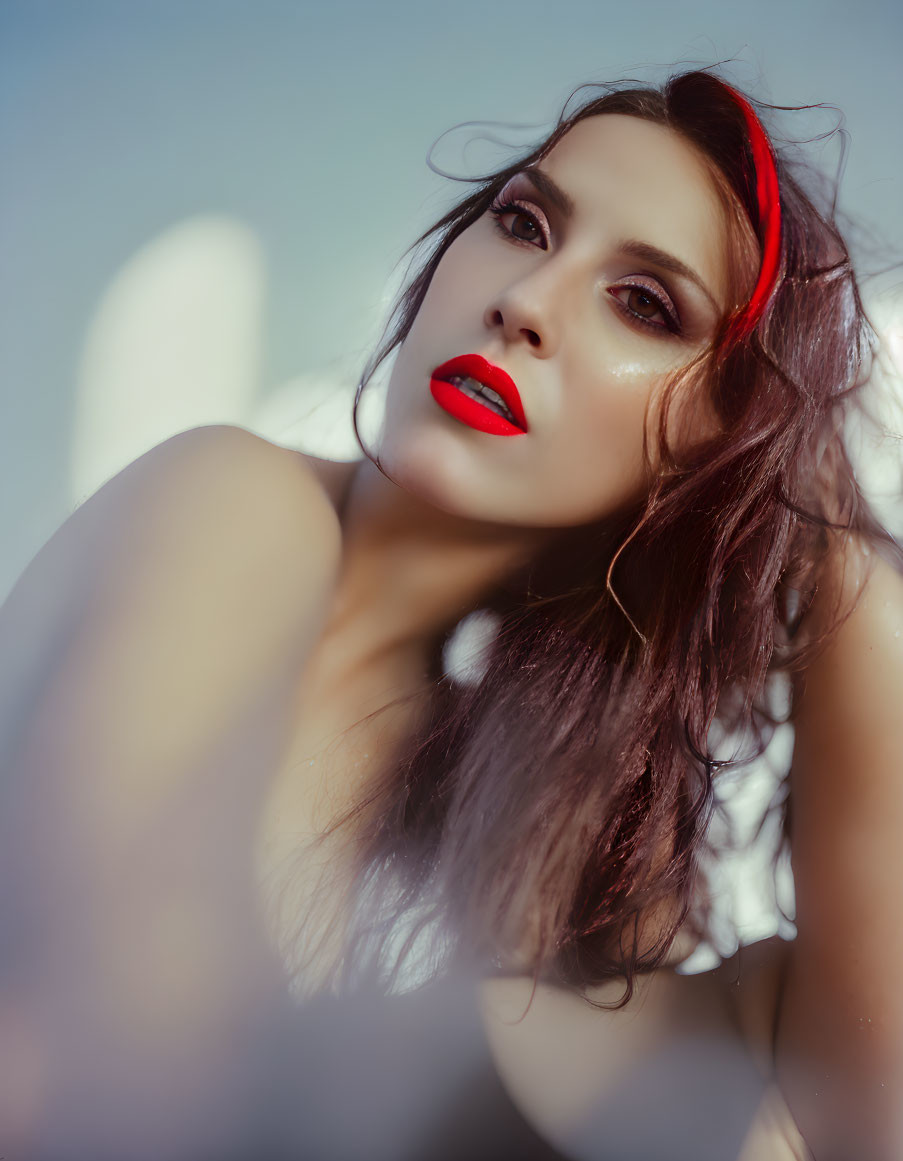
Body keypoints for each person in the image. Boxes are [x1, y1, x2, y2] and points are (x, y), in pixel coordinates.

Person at [1, 67, 901, 1161]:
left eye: (644, 304)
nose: (524, 302)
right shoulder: (241, 502)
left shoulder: (525, 829)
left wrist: (822, 533)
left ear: (706, 456)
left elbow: (859, 1119)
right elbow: (104, 1044)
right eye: (523, 222)